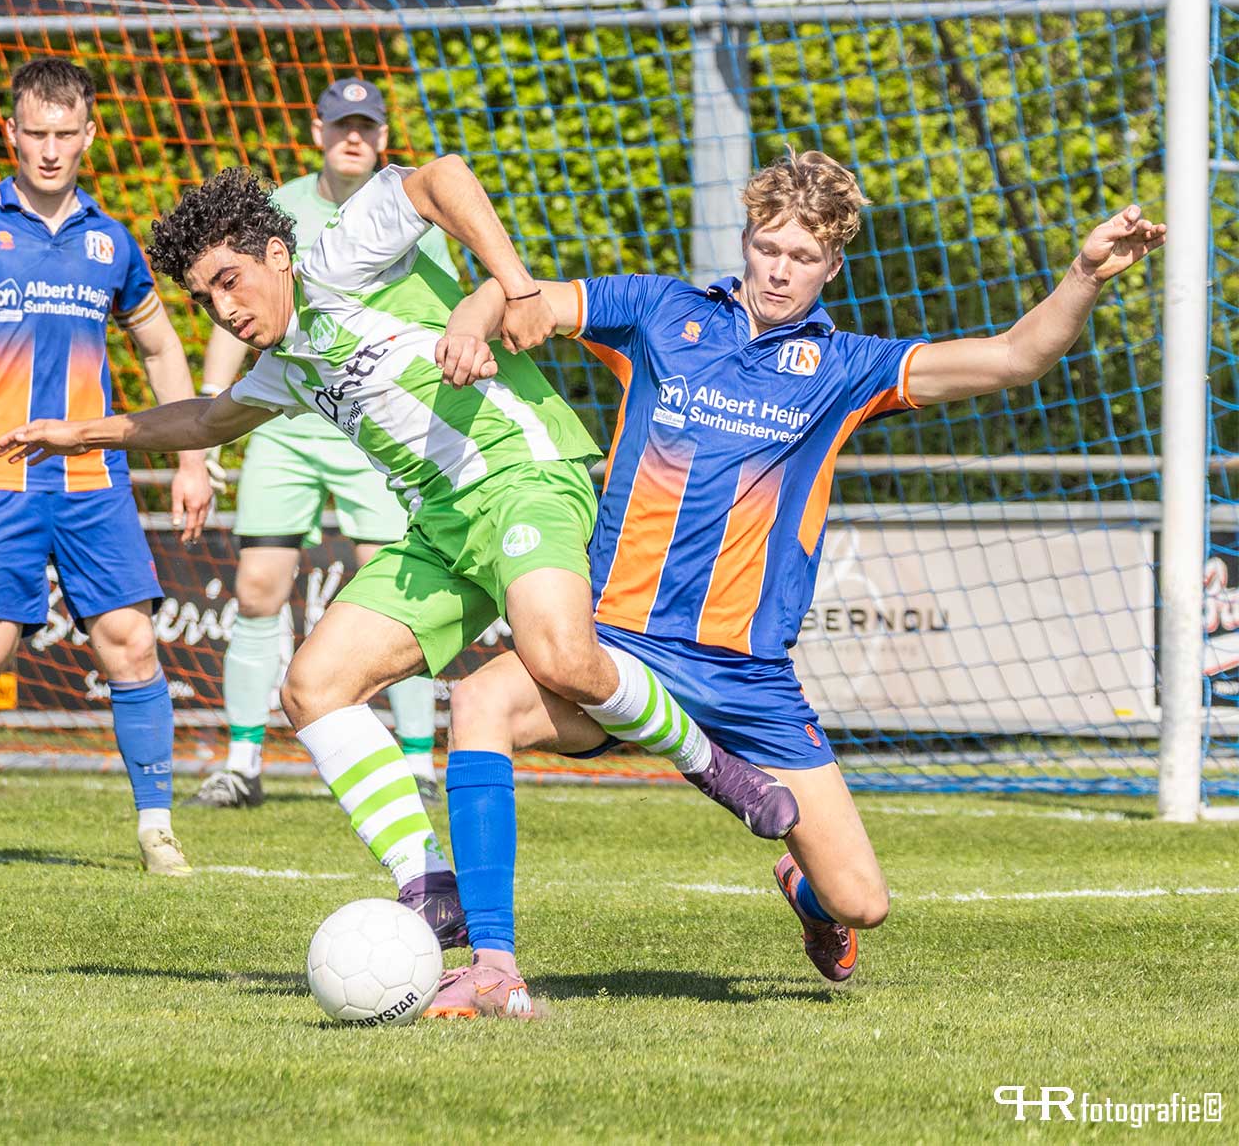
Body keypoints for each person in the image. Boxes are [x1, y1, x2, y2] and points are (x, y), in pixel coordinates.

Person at [0, 159, 800, 991]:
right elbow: (205, 417)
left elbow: (442, 176)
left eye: (229, 281)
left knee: (561, 656)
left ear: (277, 254)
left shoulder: (340, 258)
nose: (224, 310)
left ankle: (715, 765)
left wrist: (514, 286)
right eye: (204, 299)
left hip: (523, 473)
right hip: (441, 530)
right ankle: (430, 886)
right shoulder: (285, 364)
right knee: (312, 686)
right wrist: (80, 432)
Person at [431, 150, 1166, 1006]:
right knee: (481, 699)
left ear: (833, 265)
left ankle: (808, 895)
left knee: (863, 901)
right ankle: (493, 962)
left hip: (746, 678)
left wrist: (1083, 275)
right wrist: (473, 315)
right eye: (769, 247)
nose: (780, 270)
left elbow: (1012, 357)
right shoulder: (662, 311)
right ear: (746, 240)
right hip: (615, 649)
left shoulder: (846, 366)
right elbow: (526, 297)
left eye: (804, 256)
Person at [0, 58, 214, 876]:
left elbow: (161, 346)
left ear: (89, 134)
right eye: (37, 134)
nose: (51, 150)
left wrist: (193, 458)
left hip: (94, 481)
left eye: (66, 134)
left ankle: (157, 827)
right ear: (12, 134)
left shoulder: (112, 241)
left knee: (131, 642)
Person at [193, 78, 445, 809]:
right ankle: (242, 762)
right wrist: (205, 434)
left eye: (366, 126)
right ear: (319, 132)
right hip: (287, 425)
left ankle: (418, 760)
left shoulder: (410, 207)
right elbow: (232, 315)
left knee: (400, 588)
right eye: (341, 125)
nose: (353, 138)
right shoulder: (279, 209)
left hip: (373, 427)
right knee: (257, 586)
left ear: (383, 137)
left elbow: (441, 313)